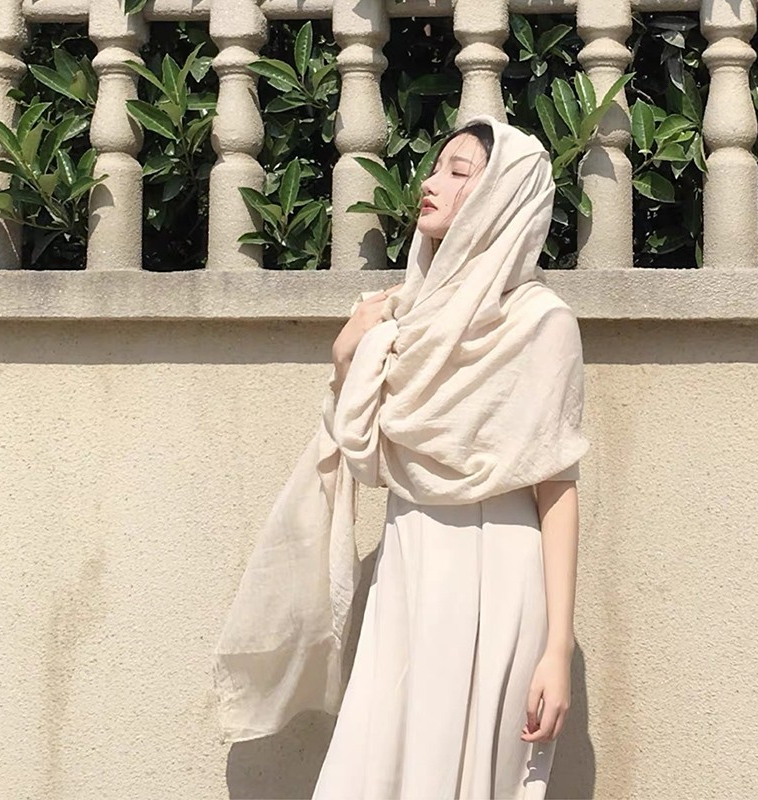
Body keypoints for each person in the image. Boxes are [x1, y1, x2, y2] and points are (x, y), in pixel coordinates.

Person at [213, 114, 589, 800]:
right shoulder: (397, 318)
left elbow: (556, 487)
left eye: (458, 172)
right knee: (375, 771)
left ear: (502, 198)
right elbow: (365, 450)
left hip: (499, 576)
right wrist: (346, 357)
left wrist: (556, 649)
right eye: (435, 166)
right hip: (409, 561)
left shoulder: (542, 324)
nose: (430, 183)